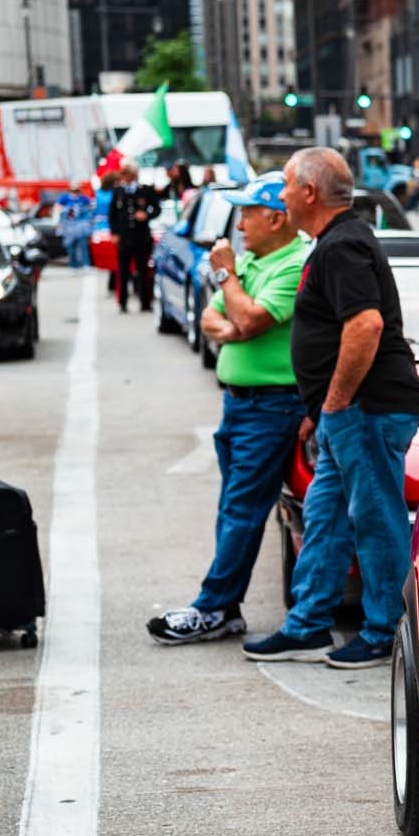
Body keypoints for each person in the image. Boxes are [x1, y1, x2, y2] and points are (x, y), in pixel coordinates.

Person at [243, 148, 419, 670]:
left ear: (309, 193)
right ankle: (307, 625)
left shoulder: (342, 246)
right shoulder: (335, 243)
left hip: (366, 409)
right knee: (323, 516)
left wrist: (338, 399)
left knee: (375, 518)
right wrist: (322, 406)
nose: (278, 196)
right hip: (345, 412)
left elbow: (364, 325)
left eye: (284, 185)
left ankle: (385, 630)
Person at [147, 172, 312, 645]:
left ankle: (213, 606)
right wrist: (239, 320)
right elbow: (212, 317)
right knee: (231, 507)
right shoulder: (255, 264)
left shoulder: (290, 262)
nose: (239, 226)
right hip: (239, 405)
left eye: (247, 214)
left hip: (272, 406)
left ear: (275, 217)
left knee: (242, 508)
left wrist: (228, 282)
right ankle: (226, 606)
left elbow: (250, 316)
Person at [109, 172, 159, 313]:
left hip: (141, 237)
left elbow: (157, 208)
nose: (124, 176)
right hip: (124, 238)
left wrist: (147, 215)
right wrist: (114, 233)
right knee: (123, 272)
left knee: (142, 271)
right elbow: (112, 214)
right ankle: (122, 303)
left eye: (127, 173)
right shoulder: (118, 191)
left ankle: (145, 303)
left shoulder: (145, 190)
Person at [57, 187, 94, 270]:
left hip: (81, 228)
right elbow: (59, 209)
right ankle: (73, 265)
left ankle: (86, 264)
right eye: (73, 191)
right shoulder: (65, 199)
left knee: (83, 246)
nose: (75, 193)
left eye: (76, 191)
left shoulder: (83, 199)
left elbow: (90, 207)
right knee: (71, 247)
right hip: (69, 228)